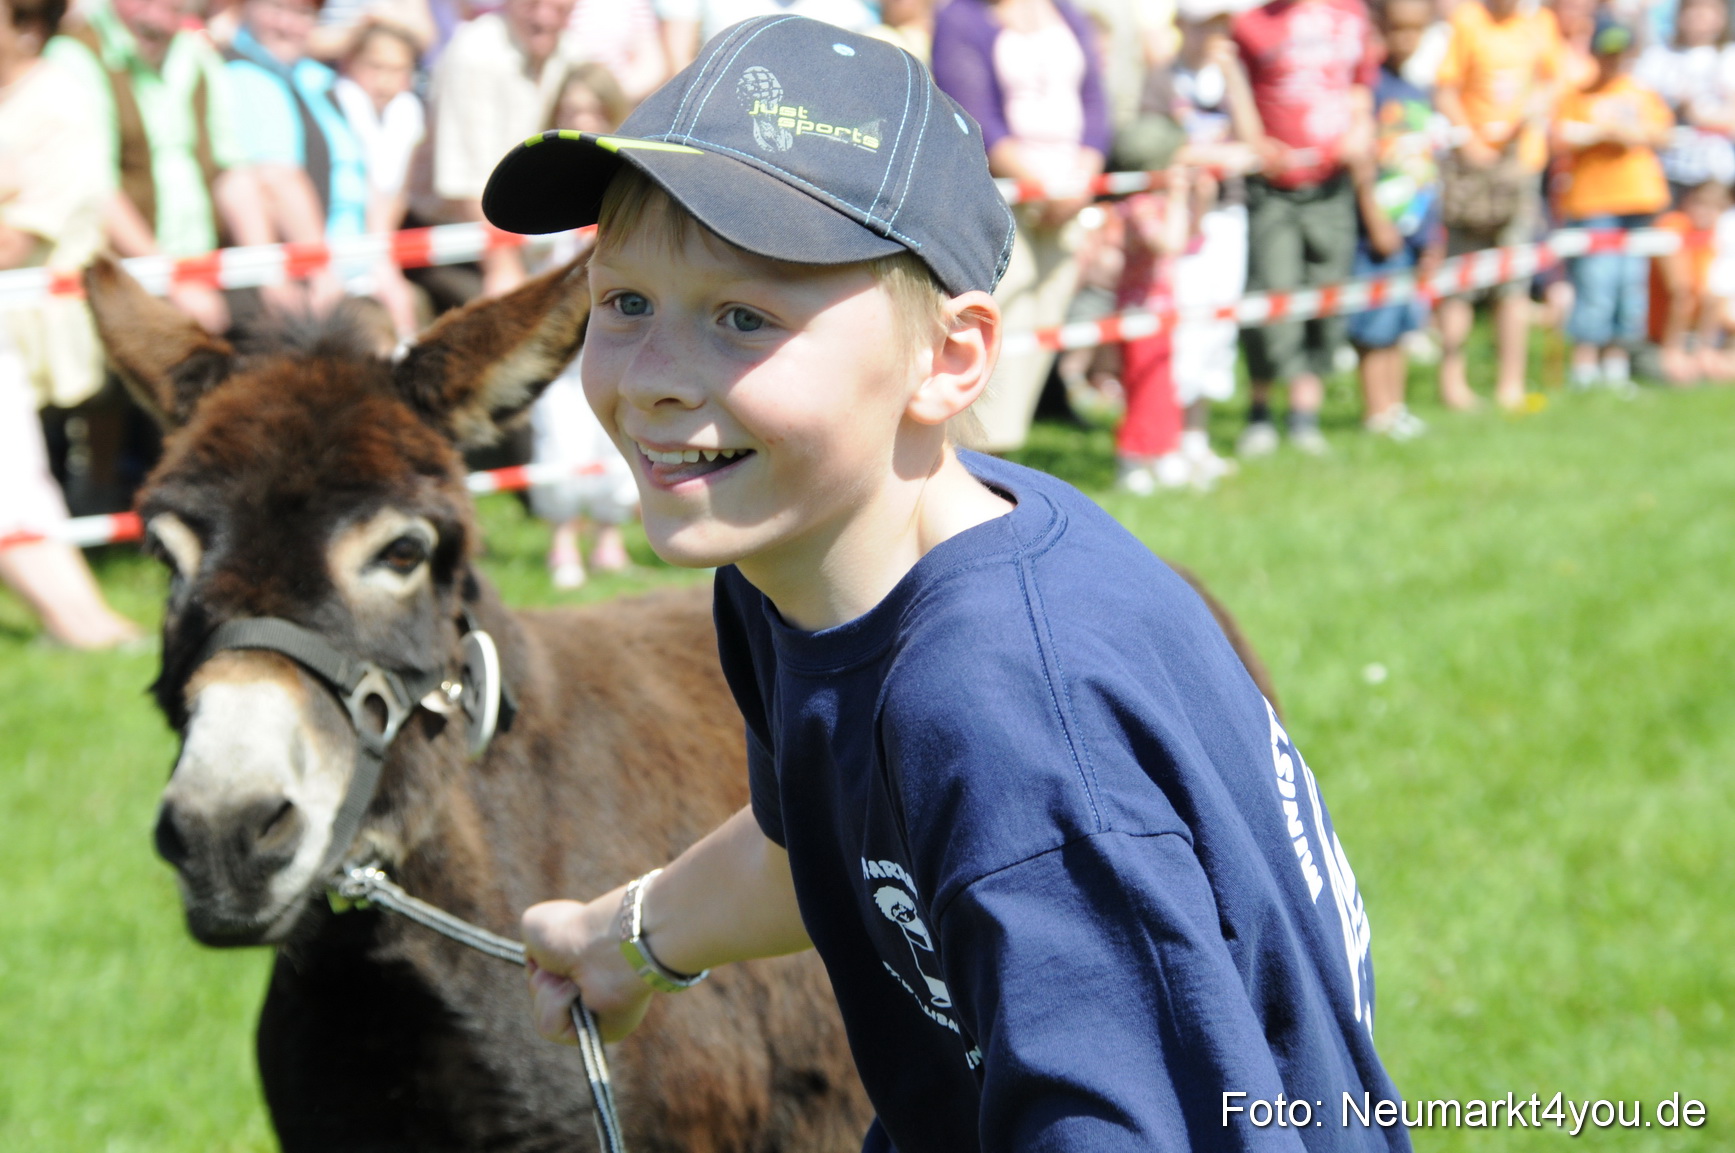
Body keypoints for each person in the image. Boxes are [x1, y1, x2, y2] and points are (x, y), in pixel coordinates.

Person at [483, 16, 1411, 1149]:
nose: (656, 378)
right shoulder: (802, 559)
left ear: (949, 358)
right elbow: (815, 847)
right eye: (624, 301)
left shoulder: (999, 703)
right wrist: (626, 940)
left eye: (743, 317)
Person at [0, 0, 141, 649]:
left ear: (28, 28)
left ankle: (83, 622)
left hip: (35, 318)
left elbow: (13, 241)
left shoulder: (57, 103)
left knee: (12, 480)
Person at [931, 0, 1112, 454]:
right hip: (1003, 199)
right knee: (1002, 322)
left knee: (1043, 326)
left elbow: (1095, 102)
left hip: (1069, 197)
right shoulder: (961, 18)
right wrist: (1043, 188)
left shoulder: (1066, 12)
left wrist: (1082, 181)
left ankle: (1002, 454)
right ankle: (975, 457)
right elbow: (973, 115)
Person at [45, 0, 269, 333]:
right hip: (120, 284)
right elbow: (96, 186)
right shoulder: (74, 55)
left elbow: (233, 170)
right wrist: (171, 280)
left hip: (205, 273)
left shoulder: (196, 52)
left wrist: (267, 271)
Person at [1232, 0, 1380, 456]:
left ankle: (1304, 416)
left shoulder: (1351, 14)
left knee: (1325, 296)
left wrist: (1360, 129)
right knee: (1270, 297)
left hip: (1332, 185)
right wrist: (1254, 141)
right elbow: (1236, 88)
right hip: (1273, 189)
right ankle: (1260, 412)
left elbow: (1361, 84)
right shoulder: (1251, 22)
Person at [527, 62, 636, 589]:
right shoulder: (538, 174)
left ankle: (610, 537)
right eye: (571, 109)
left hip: (618, 328)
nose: (582, 119)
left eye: (593, 110)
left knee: (616, 430)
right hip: (559, 332)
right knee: (560, 433)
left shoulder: (633, 181)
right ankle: (563, 540)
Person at [1145, 0, 1264, 479]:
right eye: (1202, 25)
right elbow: (1157, 148)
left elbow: (1255, 144)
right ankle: (1167, 438)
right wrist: (1216, 155)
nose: (1211, 35)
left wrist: (1235, 79)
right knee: (1184, 325)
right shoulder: (1162, 79)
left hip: (1227, 214)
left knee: (1218, 324)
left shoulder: (1231, 79)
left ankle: (1197, 436)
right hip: (1179, 217)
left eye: (1219, 25)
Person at [1432, 0, 1562, 410]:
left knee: (1514, 280)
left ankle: (1511, 385)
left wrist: (1540, 102)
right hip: (1471, 171)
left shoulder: (1540, 22)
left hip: (1520, 167)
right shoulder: (1468, 21)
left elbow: (1556, 79)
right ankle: (1452, 385)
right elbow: (1445, 90)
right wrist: (1471, 143)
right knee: (1460, 278)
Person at [413, 0, 579, 301]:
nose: (543, 15)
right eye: (533, 3)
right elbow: (465, 181)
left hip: (531, 239)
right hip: (461, 242)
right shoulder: (473, 53)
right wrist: (502, 266)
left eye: (557, 7)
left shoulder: (572, 53)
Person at [224, 0, 377, 320]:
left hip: (355, 269)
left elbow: (363, 175)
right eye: (277, 7)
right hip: (308, 285)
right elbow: (276, 178)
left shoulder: (313, 77)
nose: (287, 24)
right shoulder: (246, 74)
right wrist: (321, 271)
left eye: (302, 13)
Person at [1554, 13, 1673, 391]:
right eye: (1608, 52)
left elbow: (1664, 133)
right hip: (1593, 202)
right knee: (1596, 283)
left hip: (1638, 200)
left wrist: (1630, 133)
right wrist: (1600, 133)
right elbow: (1560, 135)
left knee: (1630, 286)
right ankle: (1584, 367)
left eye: (1622, 53)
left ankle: (1616, 367)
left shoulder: (1641, 93)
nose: (1615, 60)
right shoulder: (1579, 95)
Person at [1347, 0, 1445, 438]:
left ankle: (1396, 405)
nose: (1407, 38)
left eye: (1416, 29)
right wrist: (1375, 220)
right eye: (1399, 28)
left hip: (1413, 225)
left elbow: (1425, 166)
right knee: (1374, 324)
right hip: (1376, 231)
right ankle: (1376, 410)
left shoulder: (1418, 90)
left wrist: (1431, 232)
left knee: (1403, 320)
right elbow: (1362, 163)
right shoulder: (1368, 90)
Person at [333, 17, 426, 335]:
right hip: (340, 257)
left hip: (378, 251)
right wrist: (382, 266)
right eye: (375, 67)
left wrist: (384, 264)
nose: (384, 81)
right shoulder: (339, 103)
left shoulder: (407, 112)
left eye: (397, 70)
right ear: (350, 63)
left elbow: (397, 193)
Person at [1634, 0, 1735, 205]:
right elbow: (1638, 104)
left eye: (1709, 9)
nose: (1700, 16)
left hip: (1714, 170)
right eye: (1694, 8)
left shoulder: (1727, 56)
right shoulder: (1658, 56)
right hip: (1663, 168)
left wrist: (1696, 111)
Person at [1650, 178, 1734, 383]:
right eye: (1700, 202)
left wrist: (1706, 349)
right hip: (1664, 336)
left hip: (1705, 335)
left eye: (1715, 206)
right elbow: (1681, 293)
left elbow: (1719, 300)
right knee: (1673, 374)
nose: (1705, 212)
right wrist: (1673, 351)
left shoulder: (1719, 236)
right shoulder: (1674, 226)